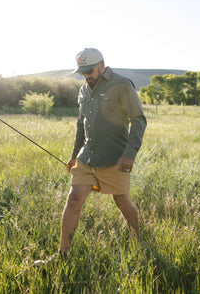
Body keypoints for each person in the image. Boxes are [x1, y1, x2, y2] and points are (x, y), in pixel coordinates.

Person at [59, 48, 147, 255]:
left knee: (121, 200)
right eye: (82, 72)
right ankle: (63, 254)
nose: (86, 76)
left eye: (89, 71)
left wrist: (129, 154)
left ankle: (138, 237)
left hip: (115, 157)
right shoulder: (83, 90)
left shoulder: (122, 84)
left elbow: (138, 120)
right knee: (74, 199)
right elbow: (82, 124)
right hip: (87, 156)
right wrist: (74, 155)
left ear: (102, 65)